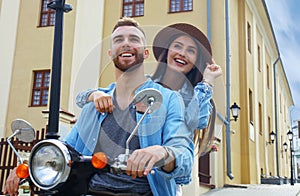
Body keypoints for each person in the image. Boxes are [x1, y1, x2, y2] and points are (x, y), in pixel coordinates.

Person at [4, 18, 194, 196]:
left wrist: (163, 153)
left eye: (134, 39)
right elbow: (66, 151)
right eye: (119, 39)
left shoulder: (169, 100)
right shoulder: (94, 105)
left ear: (145, 52)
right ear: (110, 52)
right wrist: (29, 166)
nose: (126, 43)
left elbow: (184, 157)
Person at [76, 23, 222, 195]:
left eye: (191, 50)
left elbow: (194, 124)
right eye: (177, 46)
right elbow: (96, 95)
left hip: (158, 180)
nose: (182, 53)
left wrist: (207, 81)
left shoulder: (183, 97)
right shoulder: (140, 85)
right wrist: (93, 95)